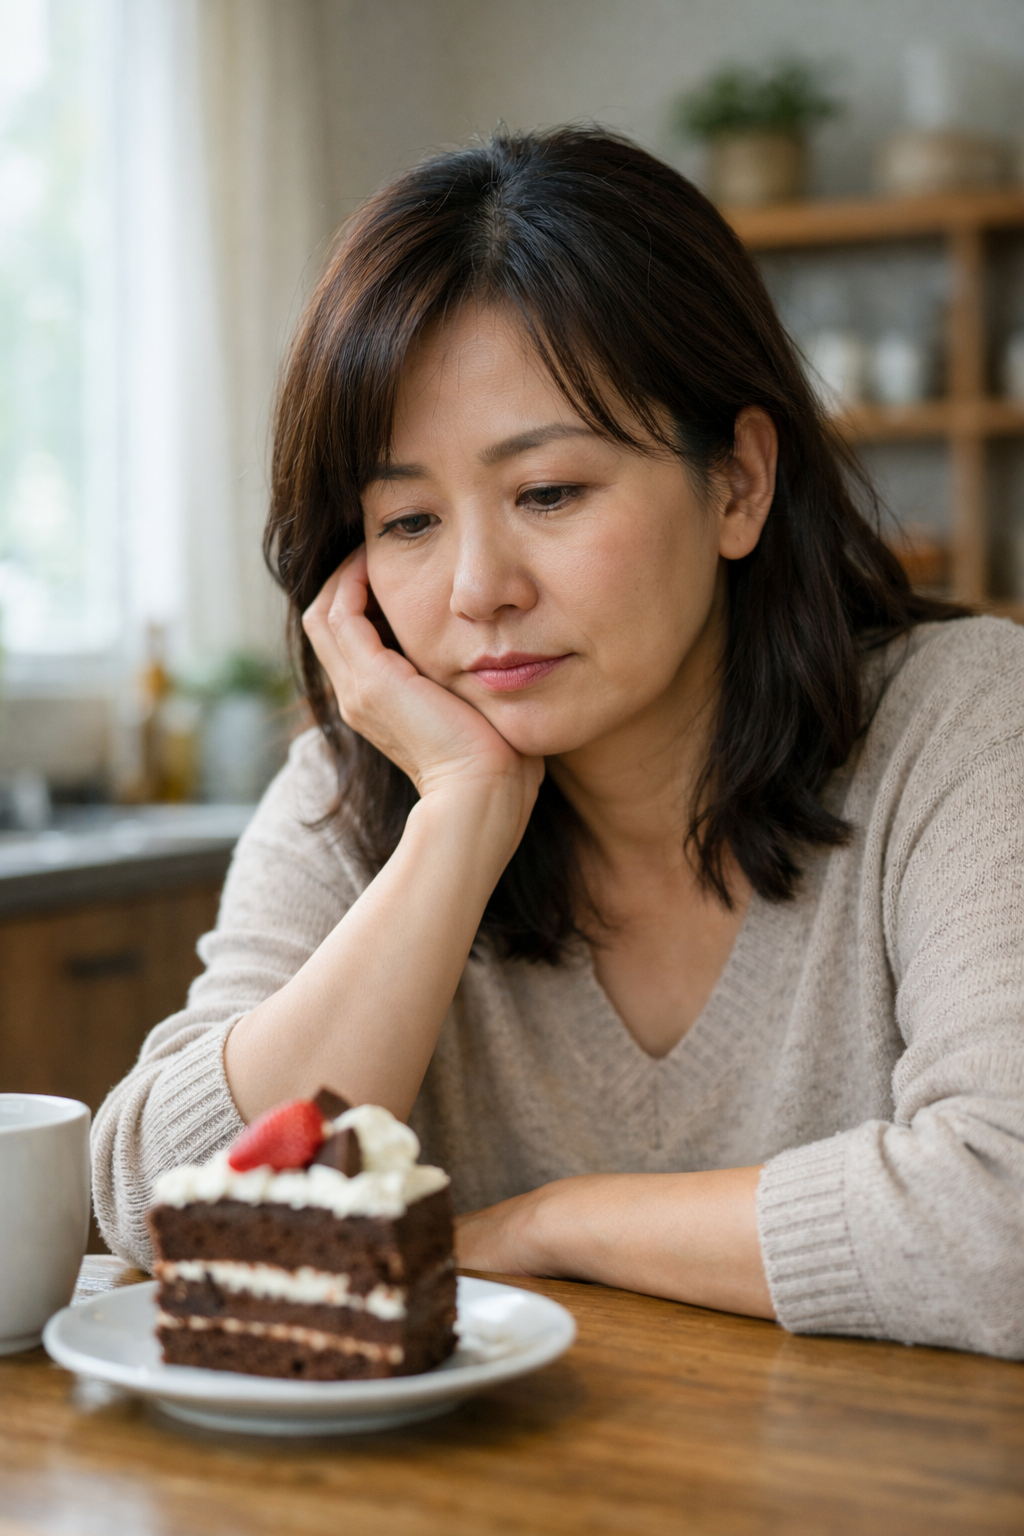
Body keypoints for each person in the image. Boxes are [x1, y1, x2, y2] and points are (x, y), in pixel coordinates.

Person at [94, 127, 1024, 1358]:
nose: (478, 588)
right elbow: (171, 1221)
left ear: (737, 484)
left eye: (548, 494)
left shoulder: (962, 720)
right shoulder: (355, 790)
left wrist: (550, 1227)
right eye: (410, 519)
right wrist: (461, 820)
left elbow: (1001, 1219)